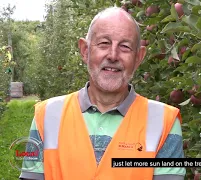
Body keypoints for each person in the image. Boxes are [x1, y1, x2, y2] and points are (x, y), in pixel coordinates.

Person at [19, 6, 186, 180]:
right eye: (104, 43)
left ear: (138, 58)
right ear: (85, 51)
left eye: (125, 46)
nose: (113, 55)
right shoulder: (47, 115)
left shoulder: (164, 122)